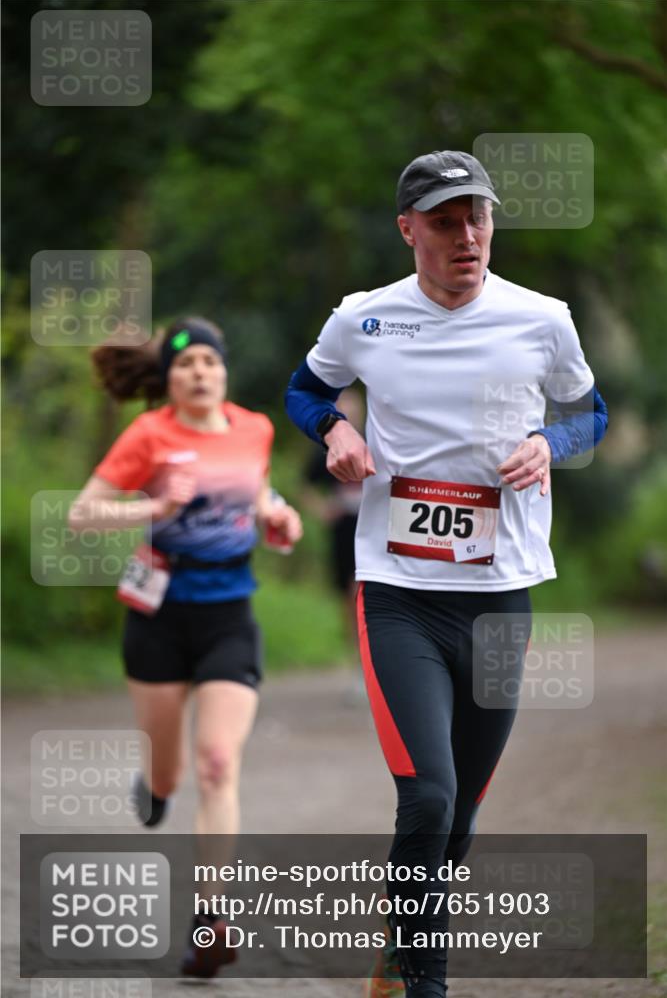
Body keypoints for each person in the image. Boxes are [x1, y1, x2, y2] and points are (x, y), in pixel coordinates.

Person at [285, 151, 608, 998]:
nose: (467, 235)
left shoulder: (541, 318)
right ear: (407, 230)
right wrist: (333, 433)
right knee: (426, 795)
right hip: (396, 591)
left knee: (460, 809)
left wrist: (552, 443)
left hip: (501, 595)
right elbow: (302, 389)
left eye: (478, 216)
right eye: (443, 220)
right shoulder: (363, 319)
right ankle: (424, 983)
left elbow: (589, 410)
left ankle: (399, 946)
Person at [69, 316, 302, 977]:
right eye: (185, 363)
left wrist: (278, 516)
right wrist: (152, 511)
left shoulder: (253, 429)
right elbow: (82, 513)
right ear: (168, 380)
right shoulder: (148, 435)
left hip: (229, 615)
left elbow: (257, 492)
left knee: (218, 763)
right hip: (159, 618)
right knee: (171, 775)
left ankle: (209, 921)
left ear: (223, 371)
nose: (199, 371)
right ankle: (155, 781)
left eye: (209, 360)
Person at [302, 387, 365, 694]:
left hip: (375, 529)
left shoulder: (378, 441)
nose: (349, 411)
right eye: (342, 406)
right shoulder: (327, 447)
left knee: (366, 594)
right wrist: (323, 510)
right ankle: (358, 666)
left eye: (353, 406)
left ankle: (377, 666)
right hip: (343, 529)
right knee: (348, 600)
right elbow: (306, 486)